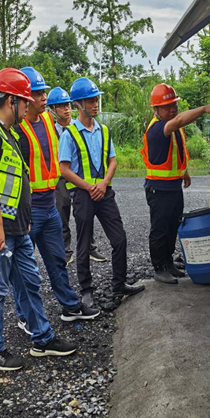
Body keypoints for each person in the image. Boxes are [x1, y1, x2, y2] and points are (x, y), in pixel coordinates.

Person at [0, 68, 77, 372]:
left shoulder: (8, 132)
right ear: (11, 100)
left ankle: (43, 338)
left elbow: (12, 182)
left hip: (16, 227)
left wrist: (22, 221)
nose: (29, 106)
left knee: (29, 282)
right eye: (25, 101)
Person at [12, 68, 100, 335]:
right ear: (24, 98)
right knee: (23, 268)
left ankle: (70, 306)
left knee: (57, 260)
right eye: (37, 94)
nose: (43, 98)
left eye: (43, 93)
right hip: (27, 208)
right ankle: (24, 316)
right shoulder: (15, 128)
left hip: (48, 204)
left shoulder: (50, 122)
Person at [58, 77, 144, 309]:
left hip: (104, 193)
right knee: (84, 244)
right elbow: (64, 169)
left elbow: (112, 161)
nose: (95, 104)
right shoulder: (69, 135)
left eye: (96, 99)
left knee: (119, 238)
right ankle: (86, 291)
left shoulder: (104, 131)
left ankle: (119, 284)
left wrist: (104, 184)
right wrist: (89, 187)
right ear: (78, 104)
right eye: (90, 100)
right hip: (83, 196)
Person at [141, 83, 210, 284]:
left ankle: (168, 262)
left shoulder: (172, 127)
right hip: (158, 188)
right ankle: (159, 268)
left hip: (173, 186)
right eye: (167, 106)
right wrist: (204, 109)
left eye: (174, 105)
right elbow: (178, 120)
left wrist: (183, 171)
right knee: (160, 230)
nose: (172, 109)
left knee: (172, 226)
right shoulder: (159, 128)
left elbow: (175, 151)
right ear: (156, 109)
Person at [47, 86, 106, 266]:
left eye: (67, 105)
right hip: (60, 178)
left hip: (80, 177)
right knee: (62, 212)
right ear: (52, 110)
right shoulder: (49, 130)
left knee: (86, 213)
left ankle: (90, 248)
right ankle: (66, 251)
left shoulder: (78, 126)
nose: (66, 109)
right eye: (61, 106)